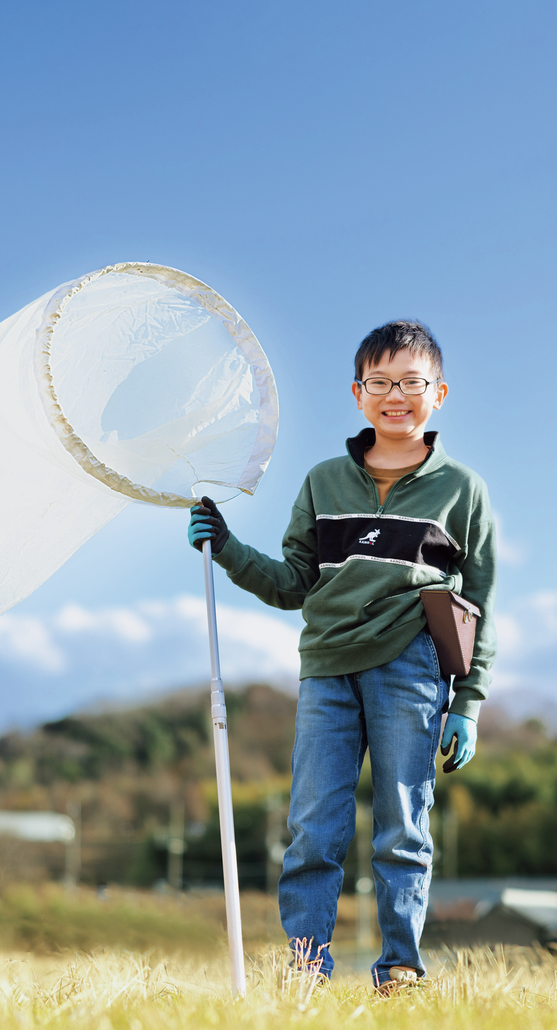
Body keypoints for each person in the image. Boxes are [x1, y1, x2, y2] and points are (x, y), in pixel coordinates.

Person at [188, 320, 497, 989]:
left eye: (411, 383)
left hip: (412, 667)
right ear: (358, 394)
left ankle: (401, 970)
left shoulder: (462, 491)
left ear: (438, 392)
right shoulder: (322, 483)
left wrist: (468, 704)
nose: (396, 396)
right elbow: (293, 583)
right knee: (312, 829)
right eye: (381, 383)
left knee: (402, 829)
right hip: (326, 668)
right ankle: (306, 967)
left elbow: (483, 603)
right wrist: (228, 545)